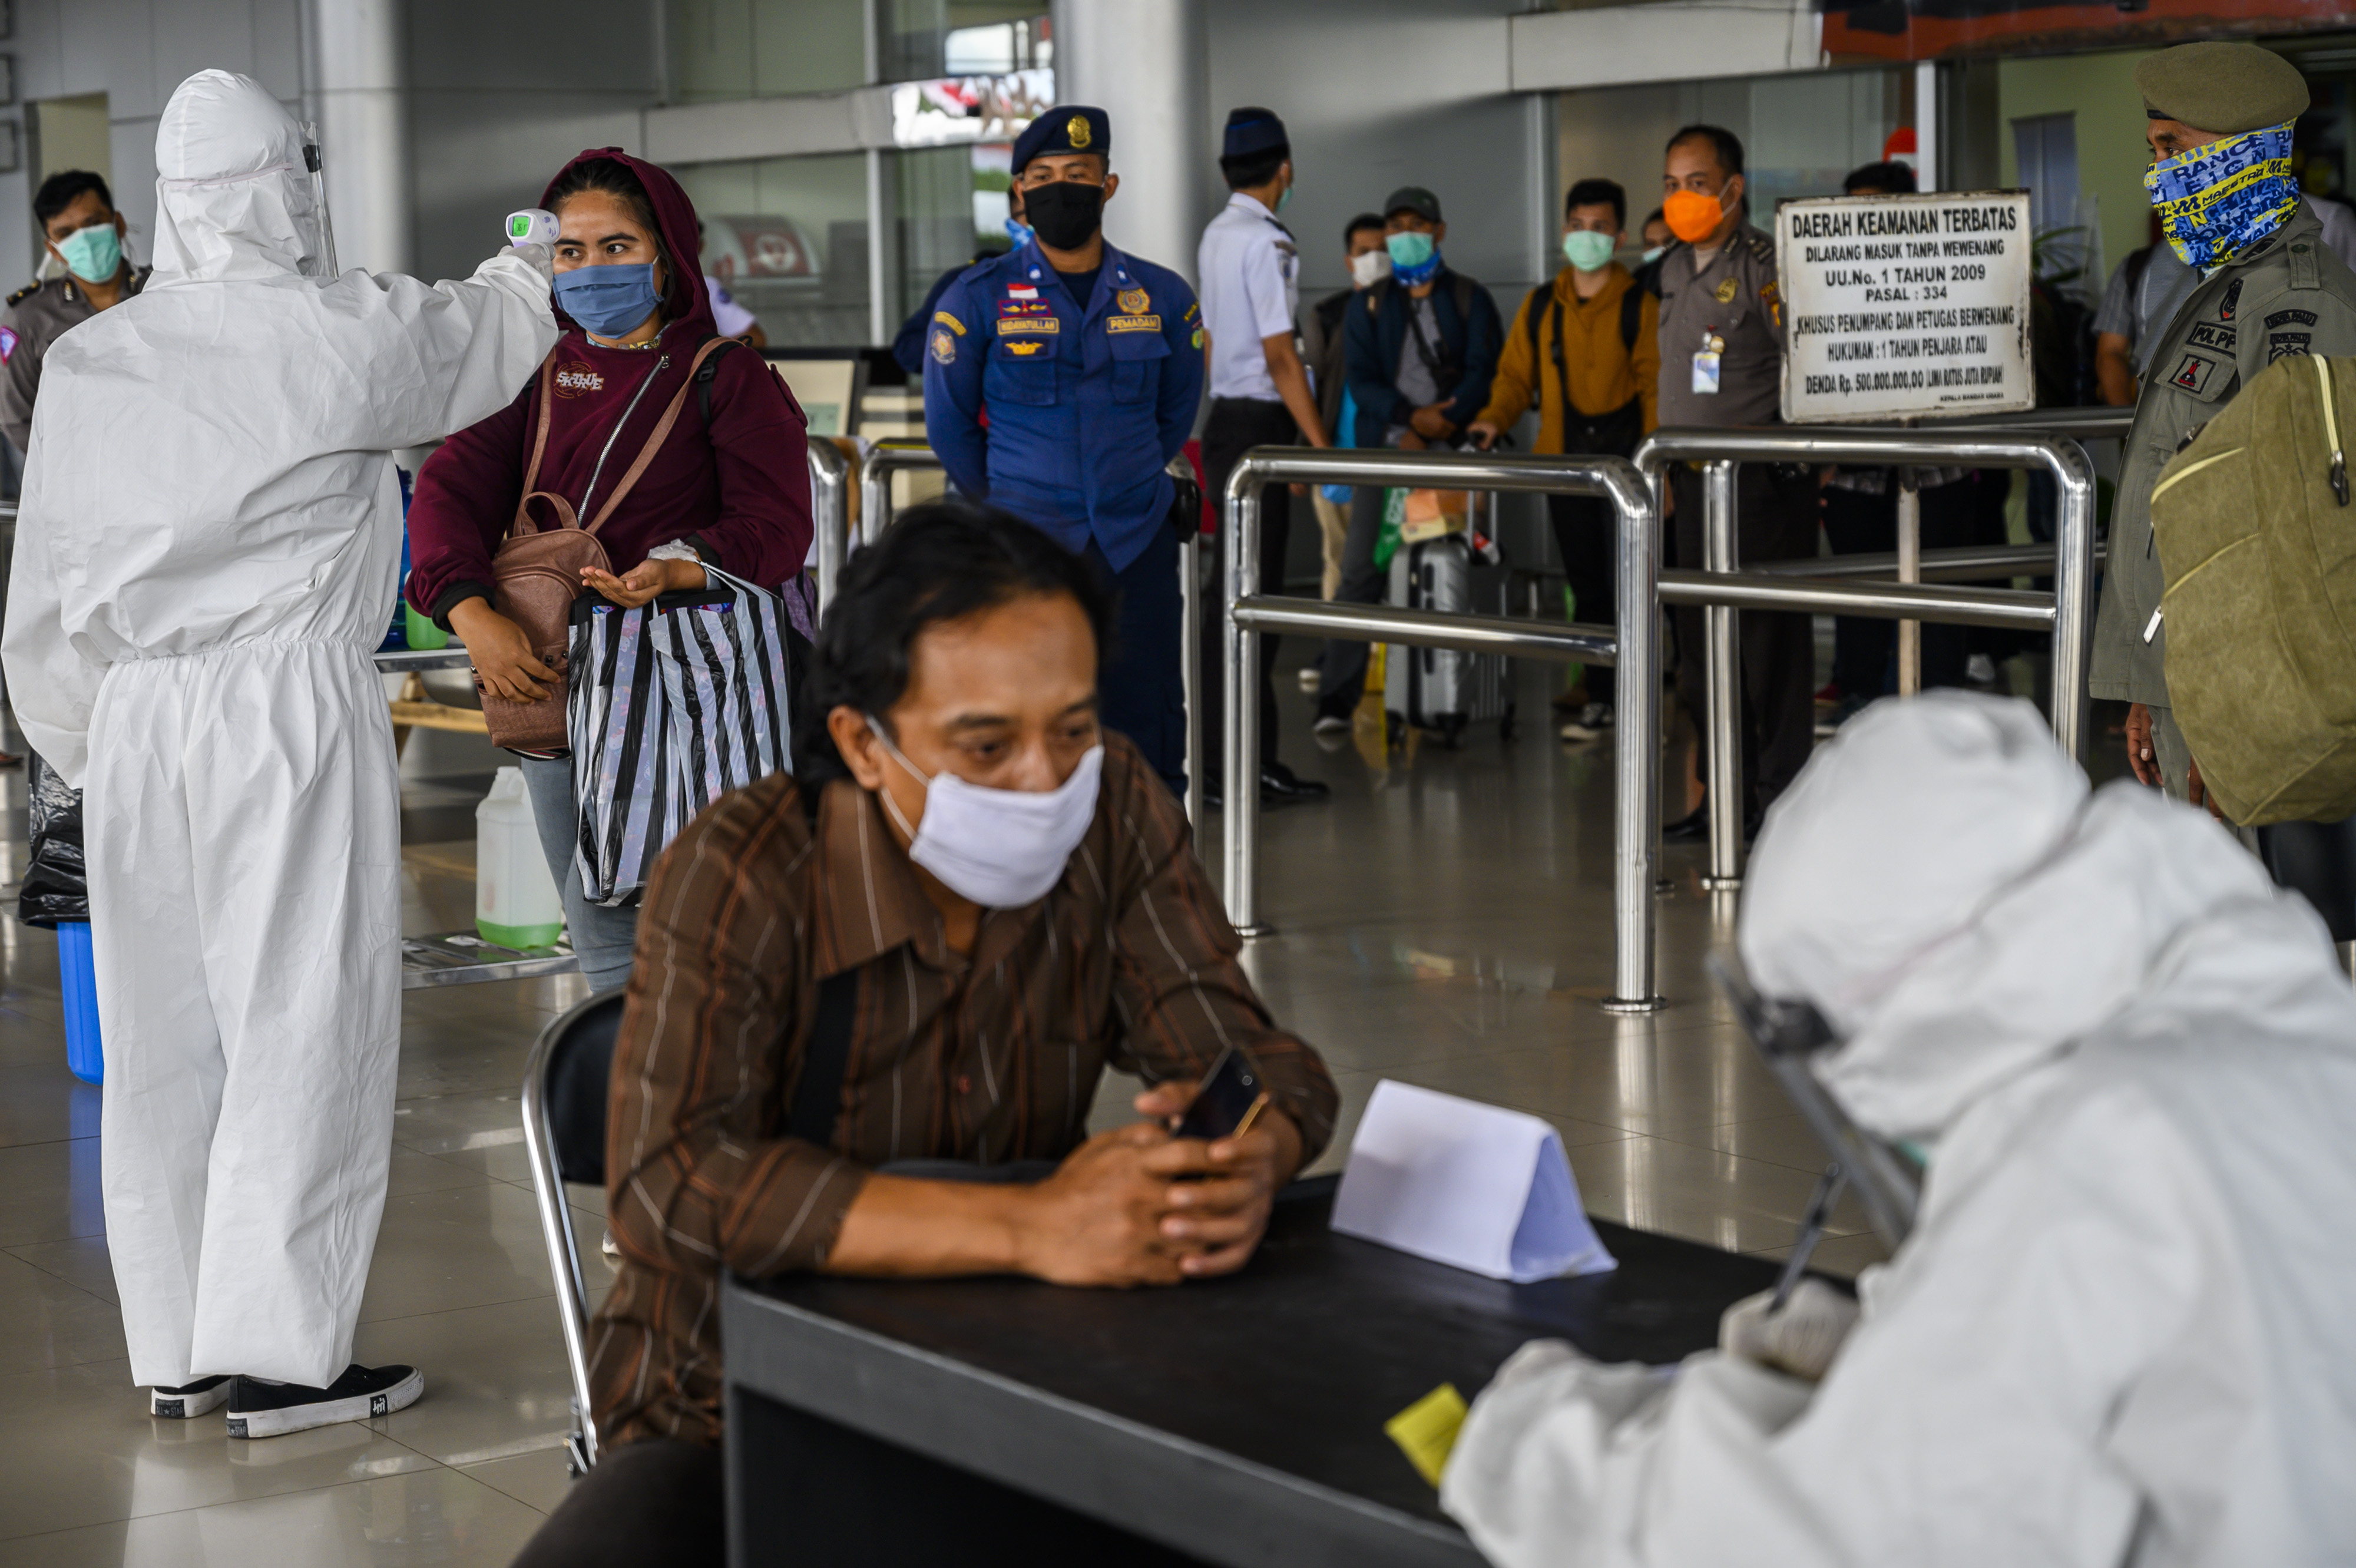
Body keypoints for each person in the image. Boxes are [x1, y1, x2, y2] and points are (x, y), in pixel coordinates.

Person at [509, 501, 1339, 1567]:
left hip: (1020, 1374)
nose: (1045, 779)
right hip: (729, 1410)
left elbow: (1254, 1060)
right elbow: (677, 1183)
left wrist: (1244, 1156)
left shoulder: (1114, 808)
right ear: (862, 739)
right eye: (986, 744)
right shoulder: (748, 865)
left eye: (1075, 727)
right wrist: (1033, 1226)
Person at [1441, 690, 2356, 1567]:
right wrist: (1918, 1334)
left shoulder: (2087, 1149)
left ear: (1911, 1002)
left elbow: (1806, 1541)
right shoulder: (2278, 999)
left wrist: (1535, 1447)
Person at [1, 70, 560, 1433]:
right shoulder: (329, 331)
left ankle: (180, 1342)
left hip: (133, 718)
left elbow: (48, 589)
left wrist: (77, 753)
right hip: (279, 712)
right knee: (301, 1014)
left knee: (163, 1033)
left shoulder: (89, 359)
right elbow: (485, 335)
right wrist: (538, 249)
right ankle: (290, 1355)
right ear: (282, 184)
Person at [406, 149, 813, 995]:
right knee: (603, 934)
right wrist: (471, 612)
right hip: (558, 686)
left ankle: (723, 1104)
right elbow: (448, 489)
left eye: (618, 247)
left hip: (700, 699)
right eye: (572, 251)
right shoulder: (528, 373)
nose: (593, 270)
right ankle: (632, 1112)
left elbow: (777, 527)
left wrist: (681, 568)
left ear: (668, 256)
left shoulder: (726, 376)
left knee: (720, 927)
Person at [2096, 42, 2356, 809]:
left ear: (2251, 155)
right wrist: (2152, 689)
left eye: (2175, 147)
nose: (2159, 173)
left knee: (2253, 916)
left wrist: (2244, 711)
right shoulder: (2226, 289)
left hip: (2243, 693)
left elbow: (2304, 537)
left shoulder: (2297, 303)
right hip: (2191, 676)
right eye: (2153, 151)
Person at [924, 105, 1206, 796]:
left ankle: (1147, 884)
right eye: (1043, 177)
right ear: (1020, 193)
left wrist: (1128, 477)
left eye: (1078, 175)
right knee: (1025, 720)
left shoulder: (1162, 296)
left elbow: (1175, 411)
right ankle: (1033, 889)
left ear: (1107, 186)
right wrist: (1007, 506)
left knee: (1144, 720)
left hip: (1134, 539)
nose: (1061, 190)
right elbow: (951, 428)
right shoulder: (977, 298)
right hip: (1023, 546)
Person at [1653, 124, 1813, 840]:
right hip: (1690, 483)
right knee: (1699, 656)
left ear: (1732, 188)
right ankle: (1722, 798)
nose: (1682, 196)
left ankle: (1776, 805)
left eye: (1695, 182)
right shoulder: (1668, 269)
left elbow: (1807, 369)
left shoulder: (1765, 266)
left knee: (1766, 654)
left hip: (1758, 487)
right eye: (1670, 183)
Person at [1468, 177, 1659, 743]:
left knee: (1632, 586)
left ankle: (1644, 698)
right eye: (1578, 226)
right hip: (1566, 468)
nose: (1587, 238)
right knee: (1588, 586)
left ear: (1620, 237)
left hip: (1628, 473)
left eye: (1599, 229)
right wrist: (1493, 420)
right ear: (1563, 232)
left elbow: (1654, 389)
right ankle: (1602, 698)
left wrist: (1658, 470)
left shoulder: (1639, 306)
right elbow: (1514, 378)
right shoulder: (1541, 306)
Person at [1312, 185, 1503, 729]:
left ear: (1439, 232)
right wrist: (1409, 418)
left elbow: (1485, 367)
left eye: (1416, 227)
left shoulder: (1469, 297)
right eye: (1395, 228)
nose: (1403, 238)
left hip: (1452, 453)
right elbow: (1363, 378)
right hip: (1388, 454)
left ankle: (1453, 697)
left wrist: (1446, 418)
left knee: (1453, 568)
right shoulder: (1368, 304)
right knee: (1361, 571)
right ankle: (1336, 699)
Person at [1814, 161, 1985, 717]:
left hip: (1937, 468)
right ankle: (1855, 691)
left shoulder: (1951, 277)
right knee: (1858, 591)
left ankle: (1937, 702)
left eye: (1874, 210)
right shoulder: (1827, 285)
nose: (1862, 224)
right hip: (1854, 472)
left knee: (1934, 595)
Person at [1196, 107, 1330, 805]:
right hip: (1261, 425)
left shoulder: (1217, 234)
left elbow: (1214, 342)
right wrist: (1317, 448)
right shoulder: (1267, 243)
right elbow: (1281, 355)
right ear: (1285, 169)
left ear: (1225, 172)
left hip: (1225, 423)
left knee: (1231, 597)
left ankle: (1229, 762)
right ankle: (1244, 766)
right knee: (1258, 599)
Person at [2, 171, 151, 459]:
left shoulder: (163, 291)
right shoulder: (28, 317)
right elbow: (18, 420)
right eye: (66, 233)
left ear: (117, 224)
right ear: (53, 249)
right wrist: (74, 469)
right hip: (78, 477)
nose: (84, 240)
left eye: (93, 224)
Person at [1299, 213, 1388, 602]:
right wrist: (1304, 453)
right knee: (1338, 559)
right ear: (1348, 260)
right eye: (1364, 251)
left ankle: (1382, 660)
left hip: (1390, 460)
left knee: (1390, 563)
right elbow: (1310, 386)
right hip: (1335, 455)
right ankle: (1337, 652)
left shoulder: (1409, 312)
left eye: (1383, 251)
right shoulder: (1329, 315)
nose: (1375, 259)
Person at [892, 187, 1020, 377]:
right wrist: (965, 339)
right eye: (1029, 214)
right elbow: (908, 350)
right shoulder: (974, 281)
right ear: (1012, 220)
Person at [2092, 218, 2198, 407]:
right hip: (2152, 414)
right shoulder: (2137, 267)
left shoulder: (2252, 260)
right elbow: (2110, 352)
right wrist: (2129, 427)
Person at [696, 221, 766, 346]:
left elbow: (756, 339)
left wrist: (708, 349)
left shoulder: (707, 287)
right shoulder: (652, 283)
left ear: (700, 246)